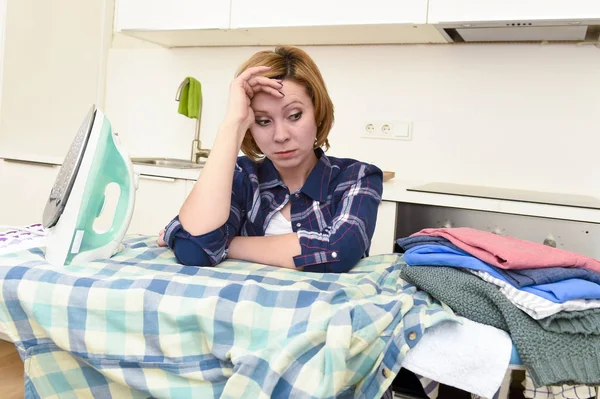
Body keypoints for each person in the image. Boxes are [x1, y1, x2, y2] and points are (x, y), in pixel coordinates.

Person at [158, 46, 383, 273]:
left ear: (318, 110)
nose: (281, 136)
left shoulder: (357, 177)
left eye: (294, 116)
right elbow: (193, 250)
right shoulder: (243, 177)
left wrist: (226, 244)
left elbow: (337, 252)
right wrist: (232, 123)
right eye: (263, 121)